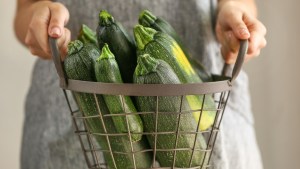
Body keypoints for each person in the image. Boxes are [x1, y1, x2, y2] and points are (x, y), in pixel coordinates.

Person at [14, 0, 267, 169]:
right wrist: (41, 19)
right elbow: (26, 9)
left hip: (204, 112)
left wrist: (234, 11)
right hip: (76, 109)